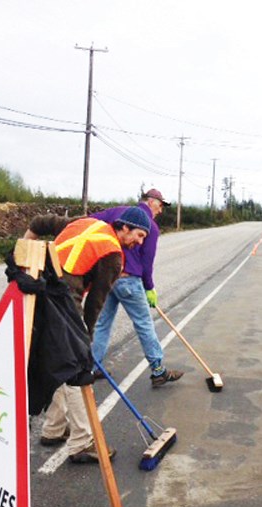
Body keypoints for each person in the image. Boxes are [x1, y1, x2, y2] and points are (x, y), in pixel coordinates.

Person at [23, 206, 151, 463]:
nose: (139, 242)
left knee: (55, 360)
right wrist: (86, 340)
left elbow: (39, 222)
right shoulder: (113, 255)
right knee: (75, 367)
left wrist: (24, 255)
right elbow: (95, 302)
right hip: (61, 301)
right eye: (138, 235)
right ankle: (82, 442)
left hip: (35, 290)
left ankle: (53, 429)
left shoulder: (85, 223)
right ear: (123, 227)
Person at [91, 188, 184, 388]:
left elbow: (89, 221)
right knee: (144, 323)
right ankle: (158, 370)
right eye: (160, 205)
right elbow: (147, 262)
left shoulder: (118, 212)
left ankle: (92, 365)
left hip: (108, 277)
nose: (161, 210)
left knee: (103, 323)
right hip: (129, 281)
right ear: (151, 202)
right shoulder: (150, 226)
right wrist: (149, 287)